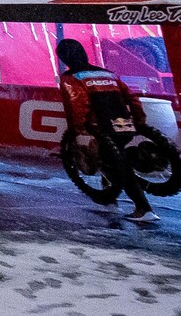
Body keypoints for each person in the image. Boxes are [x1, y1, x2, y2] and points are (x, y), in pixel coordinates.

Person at [55, 36, 155, 222]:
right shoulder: (107, 74)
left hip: (99, 126)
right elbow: (132, 98)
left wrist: (78, 131)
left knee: (119, 166)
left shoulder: (71, 78)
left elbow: (77, 104)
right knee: (109, 160)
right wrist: (139, 121)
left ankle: (143, 208)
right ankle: (110, 199)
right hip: (122, 123)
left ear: (63, 57)